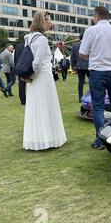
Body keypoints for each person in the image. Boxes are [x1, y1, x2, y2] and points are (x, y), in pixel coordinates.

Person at [79, 6, 111, 150]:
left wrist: (95, 56)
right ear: (108, 17)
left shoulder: (91, 31)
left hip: (98, 71)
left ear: (97, 16)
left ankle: (100, 140)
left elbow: (82, 53)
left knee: (98, 107)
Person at [23, 11, 67, 151]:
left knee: (36, 107)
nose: (51, 23)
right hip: (41, 77)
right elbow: (36, 62)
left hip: (35, 78)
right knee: (45, 106)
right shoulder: (41, 39)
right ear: (43, 21)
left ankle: (38, 138)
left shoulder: (28, 37)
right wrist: (32, 76)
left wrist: (29, 76)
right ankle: (47, 138)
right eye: (49, 21)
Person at [71, 32, 90, 102]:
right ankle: (91, 96)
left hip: (79, 66)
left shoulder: (75, 45)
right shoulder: (88, 45)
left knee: (80, 82)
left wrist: (73, 66)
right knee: (91, 82)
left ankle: (80, 98)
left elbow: (72, 57)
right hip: (88, 66)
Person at [14, 38, 27, 104]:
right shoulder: (29, 45)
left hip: (19, 67)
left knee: (21, 84)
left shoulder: (18, 46)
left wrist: (16, 67)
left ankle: (23, 100)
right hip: (28, 67)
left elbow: (15, 58)